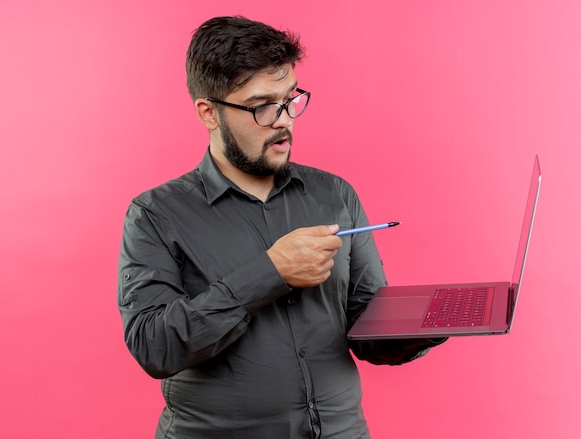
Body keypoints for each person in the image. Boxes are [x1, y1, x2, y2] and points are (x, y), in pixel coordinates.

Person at [118, 16, 446, 439]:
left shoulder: (335, 195)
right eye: (262, 106)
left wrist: (431, 322)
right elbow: (154, 347)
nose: (284, 120)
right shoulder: (155, 215)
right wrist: (270, 272)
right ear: (209, 113)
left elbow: (365, 330)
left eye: (291, 99)